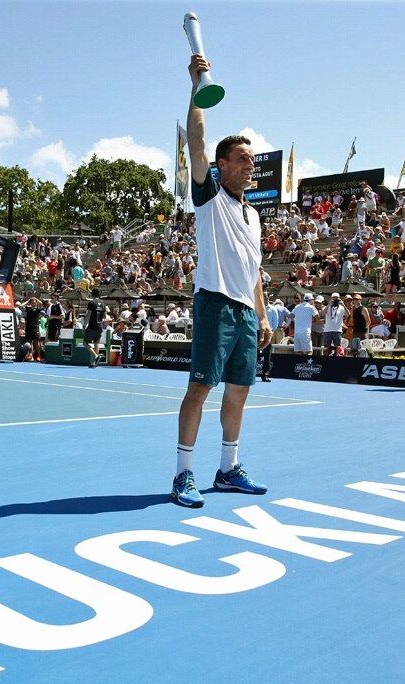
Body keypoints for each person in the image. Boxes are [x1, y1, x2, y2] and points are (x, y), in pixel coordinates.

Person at [172, 53, 273, 509]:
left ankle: (229, 470)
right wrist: (197, 84)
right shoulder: (210, 197)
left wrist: (264, 313)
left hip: (246, 313)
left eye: (253, 160)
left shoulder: (253, 215)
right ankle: (183, 475)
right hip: (214, 303)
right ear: (223, 165)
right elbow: (196, 142)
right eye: (243, 159)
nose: (251, 166)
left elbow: (252, 270)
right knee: (200, 389)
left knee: (240, 390)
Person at [83, 288, 107, 367]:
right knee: (96, 343)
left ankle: (96, 356)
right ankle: (94, 363)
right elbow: (104, 316)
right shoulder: (103, 303)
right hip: (100, 326)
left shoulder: (91, 302)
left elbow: (88, 314)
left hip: (92, 326)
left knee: (85, 343)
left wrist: (84, 325)